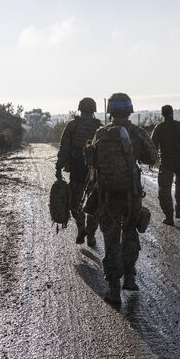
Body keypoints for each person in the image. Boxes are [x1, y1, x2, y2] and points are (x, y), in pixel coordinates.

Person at [87, 93, 158, 306]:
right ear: (129, 110)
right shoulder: (137, 132)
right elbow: (153, 158)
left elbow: (92, 162)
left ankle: (114, 290)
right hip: (131, 196)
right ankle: (130, 278)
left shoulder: (100, 133)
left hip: (107, 195)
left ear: (110, 112)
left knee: (110, 241)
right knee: (130, 234)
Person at [56, 97, 102, 247]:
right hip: (95, 171)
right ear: (93, 110)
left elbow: (64, 148)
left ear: (80, 109)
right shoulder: (99, 127)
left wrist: (59, 166)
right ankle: (91, 235)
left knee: (75, 203)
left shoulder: (72, 126)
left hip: (77, 169)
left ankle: (82, 227)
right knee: (93, 203)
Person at [151, 105, 180, 226]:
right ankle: (179, 212)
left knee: (164, 190)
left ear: (162, 114)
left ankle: (169, 217)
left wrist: (152, 160)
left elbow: (152, 146)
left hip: (166, 163)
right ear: (172, 113)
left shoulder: (159, 127)